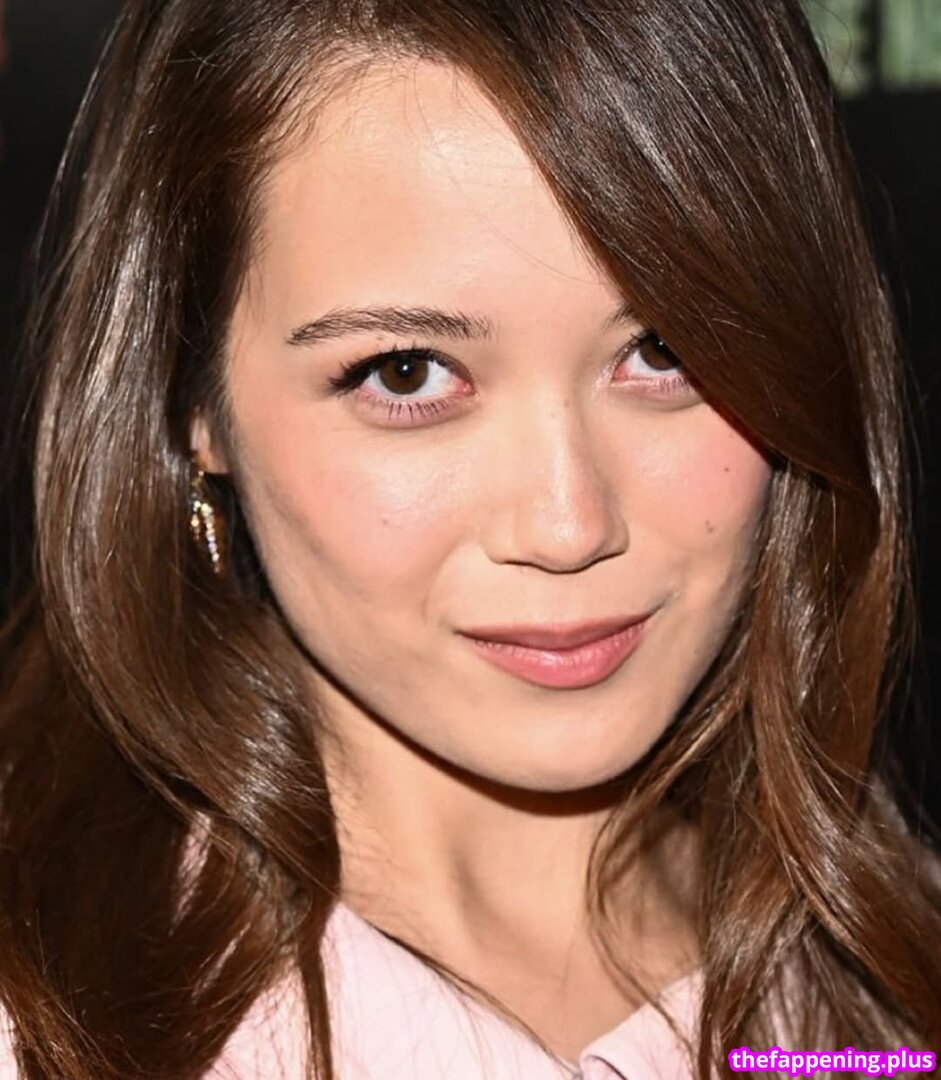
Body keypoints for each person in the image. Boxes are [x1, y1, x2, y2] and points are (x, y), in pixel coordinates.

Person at [0, 0, 938, 1077]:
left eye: (665, 351)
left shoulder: (892, 999)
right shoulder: (44, 1026)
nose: (567, 525)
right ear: (190, 403)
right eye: (406, 374)